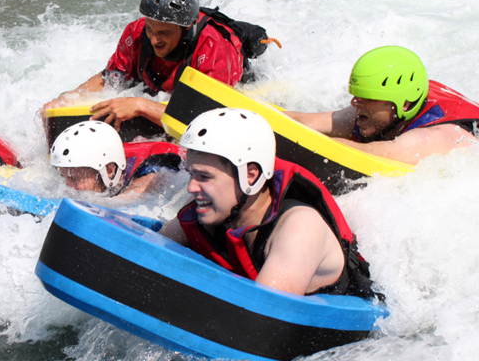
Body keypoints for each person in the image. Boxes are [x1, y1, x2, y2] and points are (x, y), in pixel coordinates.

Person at [160, 108, 379, 298]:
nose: (191, 187)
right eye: (191, 175)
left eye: (204, 176)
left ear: (251, 176)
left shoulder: (301, 228)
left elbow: (258, 320)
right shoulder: (211, 206)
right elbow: (153, 252)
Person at [43, 0, 269, 140]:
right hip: (166, 97)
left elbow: (207, 119)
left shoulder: (214, 46)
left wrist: (141, 106)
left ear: (187, 27)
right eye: (151, 29)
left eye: (164, 33)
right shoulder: (137, 32)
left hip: (233, 90)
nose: (153, 39)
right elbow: (111, 79)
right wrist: (69, 98)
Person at [284, 46, 479, 165]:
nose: (354, 103)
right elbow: (302, 122)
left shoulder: (429, 140)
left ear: (405, 104)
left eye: (368, 98)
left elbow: (354, 152)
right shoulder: (380, 112)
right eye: (357, 96)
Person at [49, 121, 183, 196]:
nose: (67, 187)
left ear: (108, 170)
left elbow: (127, 201)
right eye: (64, 177)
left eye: (74, 179)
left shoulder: (153, 171)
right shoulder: (103, 156)